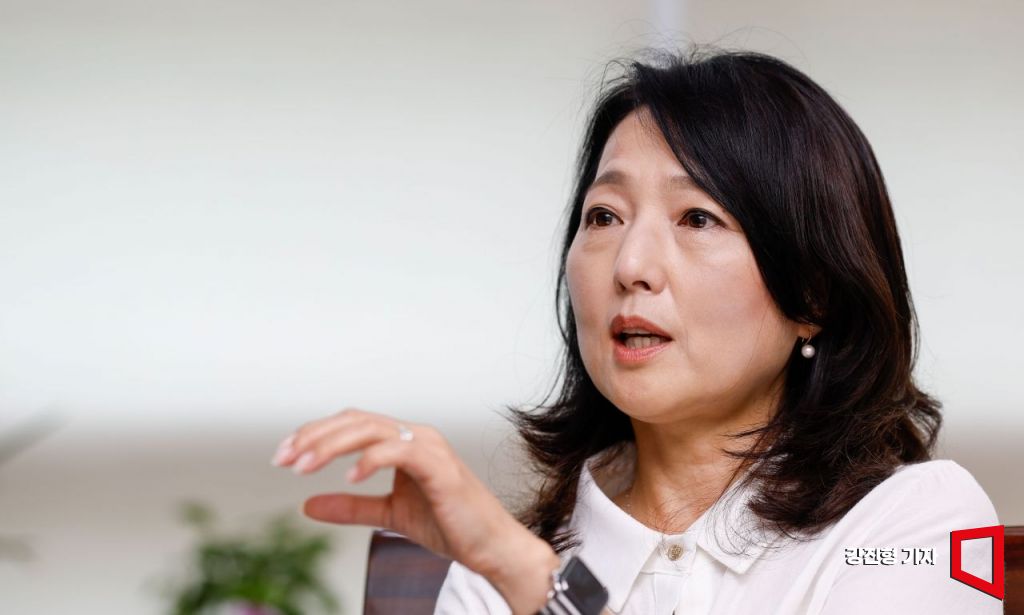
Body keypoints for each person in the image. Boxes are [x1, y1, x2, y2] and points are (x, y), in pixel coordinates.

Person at [269, 48, 1002, 614]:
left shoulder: (928, 526)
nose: (631, 265)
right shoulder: (495, 572)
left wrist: (535, 584)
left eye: (697, 218)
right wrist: (516, 568)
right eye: (604, 217)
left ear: (812, 292)